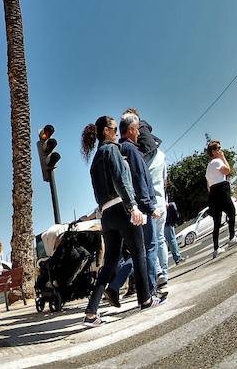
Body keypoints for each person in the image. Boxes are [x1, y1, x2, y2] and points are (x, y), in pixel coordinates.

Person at [81, 116, 165, 327]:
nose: (117, 132)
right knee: (139, 252)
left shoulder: (95, 160)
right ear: (106, 132)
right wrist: (132, 207)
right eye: (114, 129)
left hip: (107, 215)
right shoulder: (111, 150)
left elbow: (98, 192)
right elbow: (121, 179)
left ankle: (91, 312)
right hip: (121, 208)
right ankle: (146, 299)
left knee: (109, 264)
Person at [119, 113, 161, 295]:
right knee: (150, 247)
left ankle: (119, 286)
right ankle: (151, 291)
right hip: (143, 208)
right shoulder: (132, 149)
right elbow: (139, 179)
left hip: (133, 208)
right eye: (137, 129)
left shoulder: (121, 149)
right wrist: (150, 206)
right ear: (130, 130)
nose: (139, 134)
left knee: (139, 250)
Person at [206, 140, 237, 259]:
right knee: (231, 211)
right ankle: (232, 237)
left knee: (217, 221)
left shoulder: (209, 166)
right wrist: (223, 157)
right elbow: (227, 170)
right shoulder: (217, 161)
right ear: (213, 151)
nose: (220, 150)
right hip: (221, 189)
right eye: (218, 148)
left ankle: (216, 248)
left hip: (213, 192)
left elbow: (208, 185)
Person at [164, 200, 184, 265]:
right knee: (172, 240)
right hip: (166, 222)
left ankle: (177, 258)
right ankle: (177, 258)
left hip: (164, 221)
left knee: (170, 240)